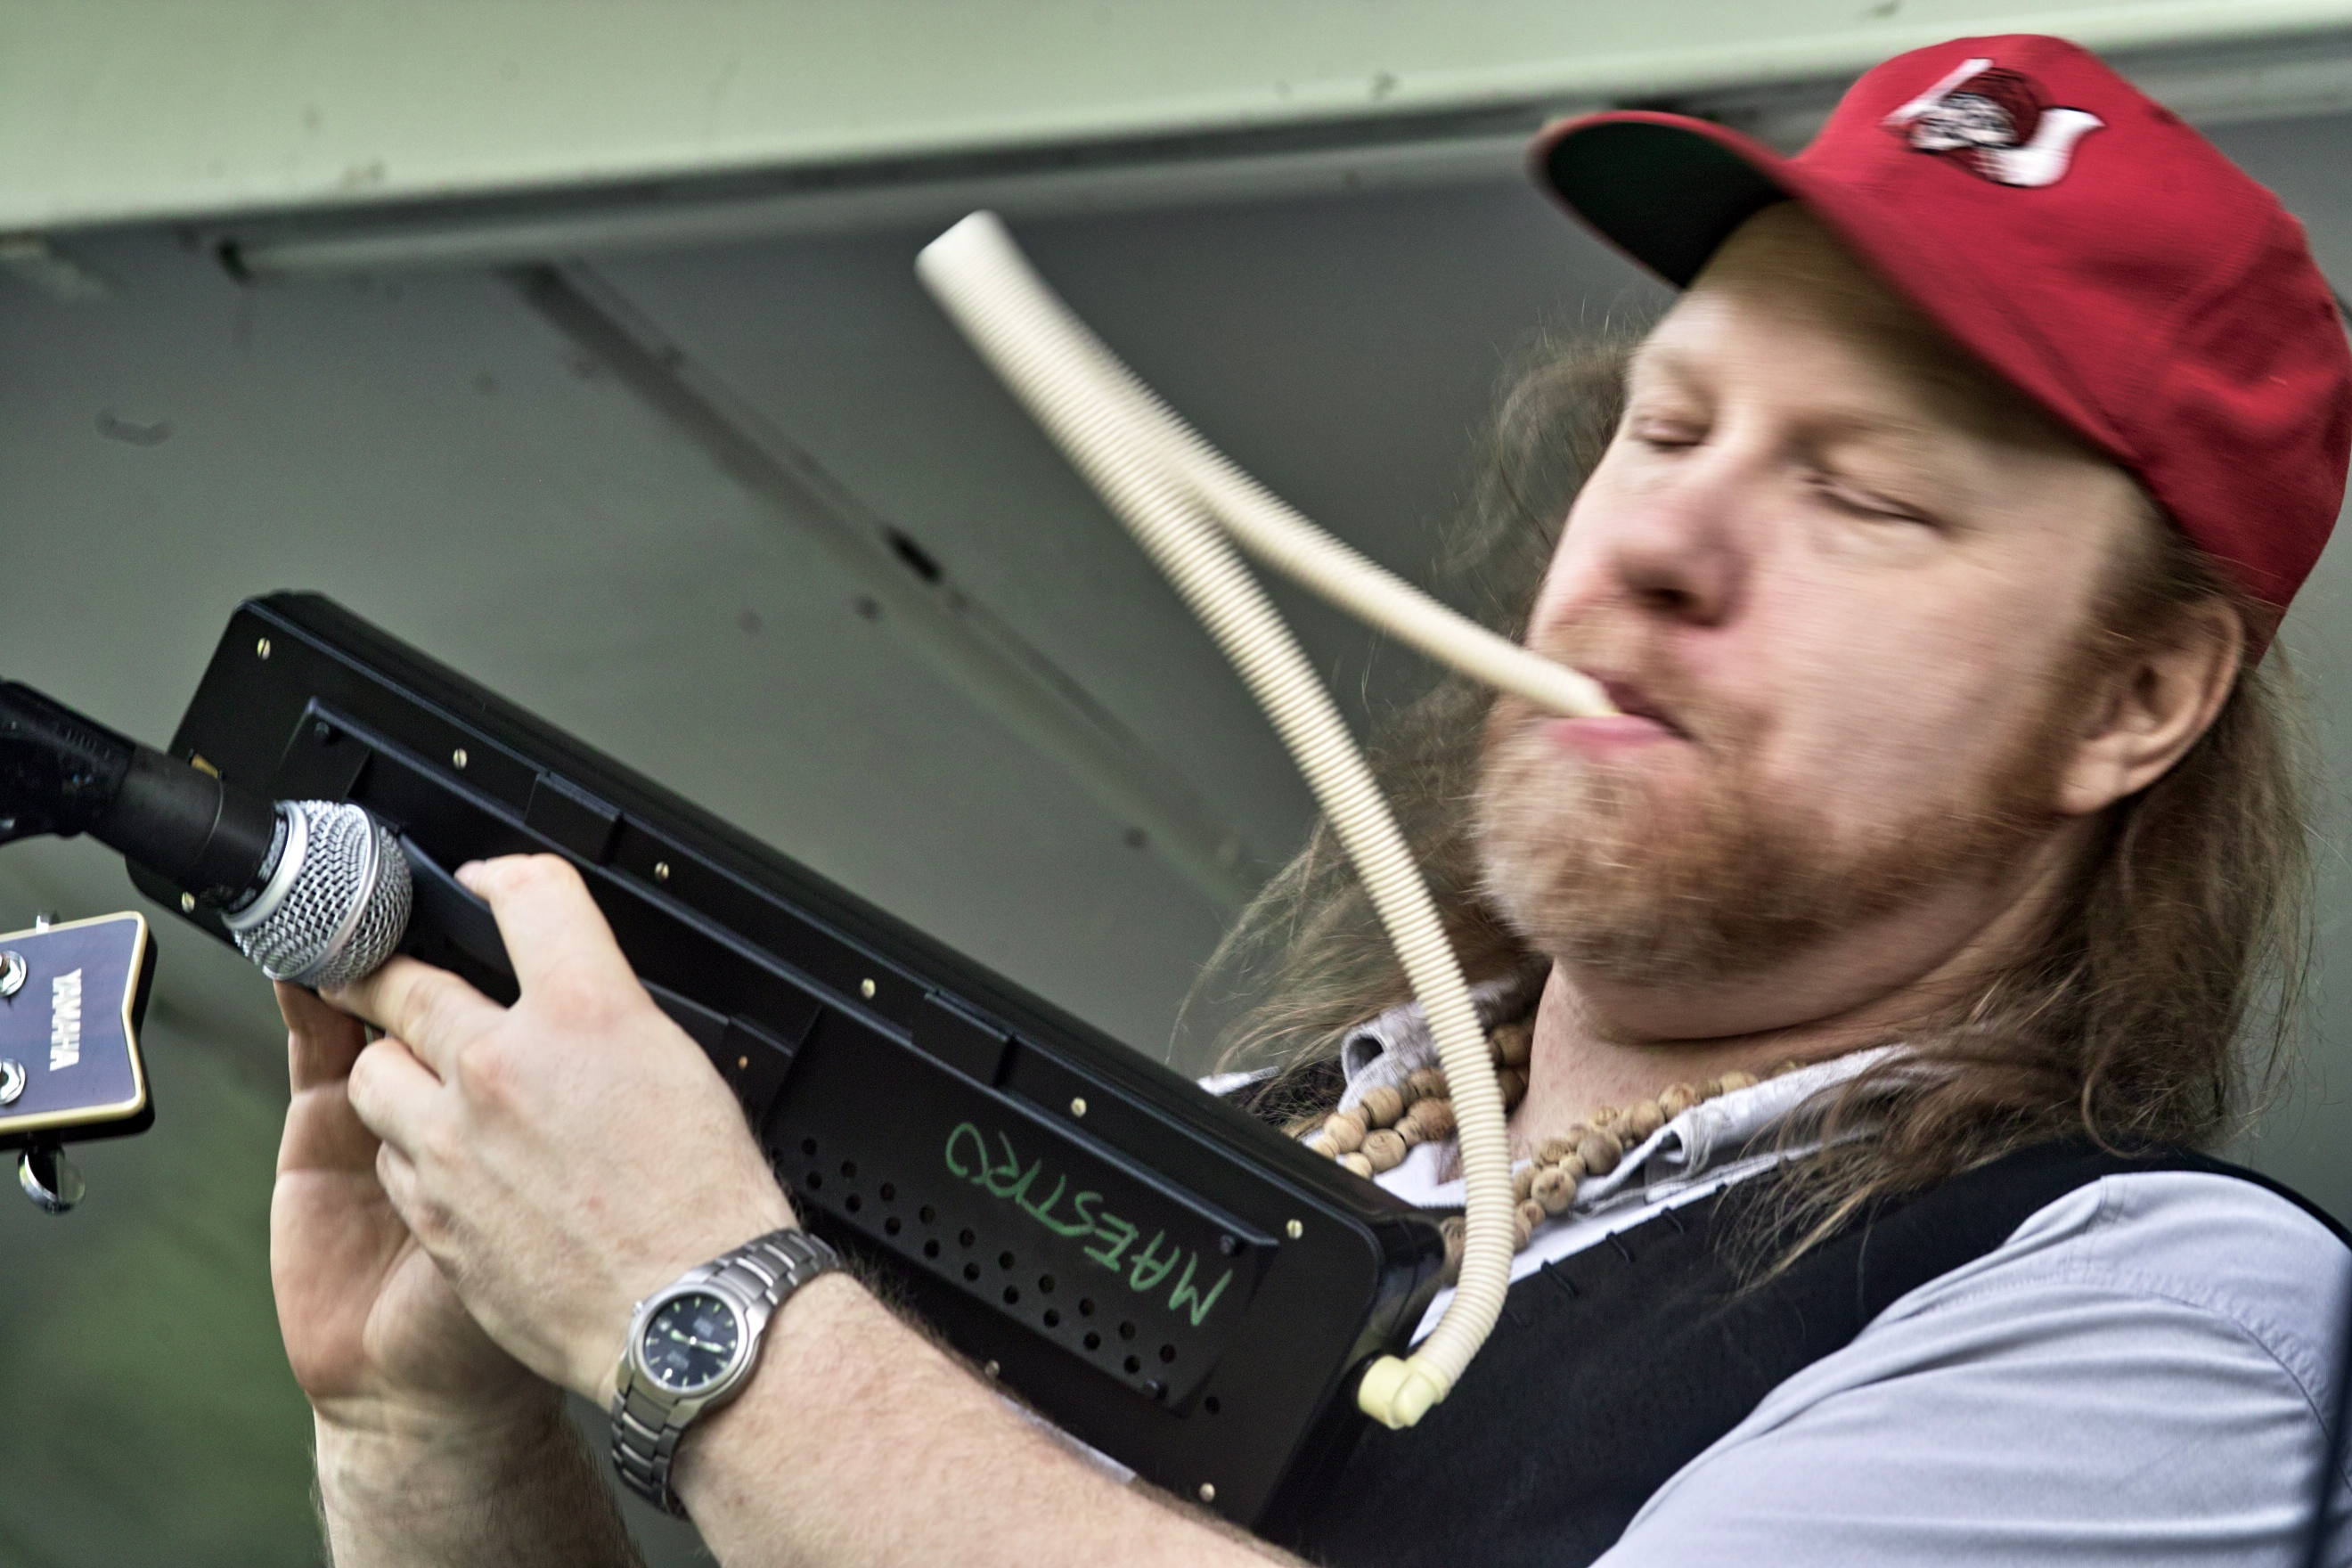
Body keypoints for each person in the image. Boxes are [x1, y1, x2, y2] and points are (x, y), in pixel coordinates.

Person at [267, 33, 2352, 1568]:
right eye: (1664, 428)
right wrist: (426, 1426)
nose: (1653, 546)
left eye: (1866, 496)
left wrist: (701, 1302)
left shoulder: (2159, 1327)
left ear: (2136, 699)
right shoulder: (1248, 1140)